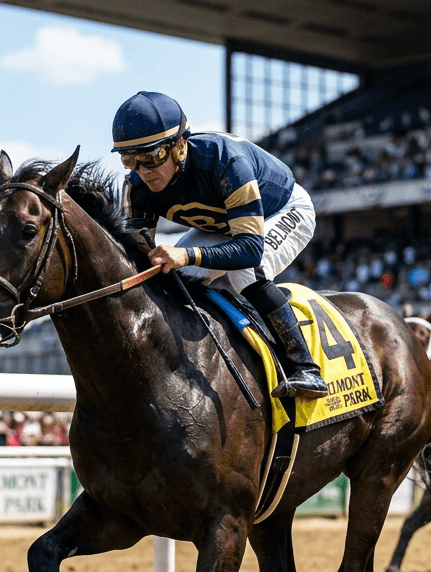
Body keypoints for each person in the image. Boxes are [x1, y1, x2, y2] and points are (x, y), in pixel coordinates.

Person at [112, 91, 326, 399]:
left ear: (180, 146)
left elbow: (250, 250)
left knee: (247, 274)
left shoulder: (226, 163)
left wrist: (186, 254)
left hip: (282, 209)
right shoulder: (135, 187)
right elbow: (137, 260)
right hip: (222, 226)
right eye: (131, 160)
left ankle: (305, 367)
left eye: (153, 157)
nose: (143, 171)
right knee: (173, 279)